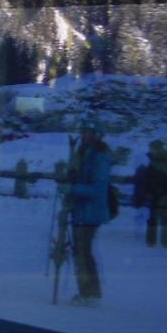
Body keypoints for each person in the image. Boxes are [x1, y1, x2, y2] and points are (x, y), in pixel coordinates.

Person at [66, 121, 113, 306]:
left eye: (88, 132)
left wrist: (71, 188)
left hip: (91, 211)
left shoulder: (100, 156)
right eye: (83, 131)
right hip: (80, 210)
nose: (84, 135)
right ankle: (89, 292)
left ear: (96, 135)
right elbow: (76, 174)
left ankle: (89, 294)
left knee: (82, 252)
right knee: (81, 251)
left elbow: (97, 189)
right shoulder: (83, 153)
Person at [132, 139, 167, 249]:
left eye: (151, 148)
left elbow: (156, 178)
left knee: (155, 219)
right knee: (164, 219)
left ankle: (152, 243)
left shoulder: (159, 160)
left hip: (160, 195)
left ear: (156, 148)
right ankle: (165, 243)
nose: (150, 150)